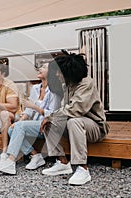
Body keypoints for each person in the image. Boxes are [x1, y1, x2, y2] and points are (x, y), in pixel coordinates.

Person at [40, 50, 110, 185]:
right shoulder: (67, 83)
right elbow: (64, 109)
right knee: (49, 123)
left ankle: (82, 169)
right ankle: (62, 162)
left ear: (69, 71)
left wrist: (51, 116)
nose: (57, 74)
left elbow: (76, 109)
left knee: (72, 121)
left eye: (59, 72)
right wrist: (50, 118)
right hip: (77, 123)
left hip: (96, 127)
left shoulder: (86, 83)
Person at [0, 62, 64, 174]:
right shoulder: (35, 88)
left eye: (43, 67)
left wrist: (35, 107)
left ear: (51, 72)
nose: (39, 69)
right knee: (12, 129)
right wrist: (20, 121)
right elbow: (28, 111)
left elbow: (53, 114)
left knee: (19, 127)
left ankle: (10, 161)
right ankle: (35, 155)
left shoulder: (54, 90)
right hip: (35, 125)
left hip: (48, 125)